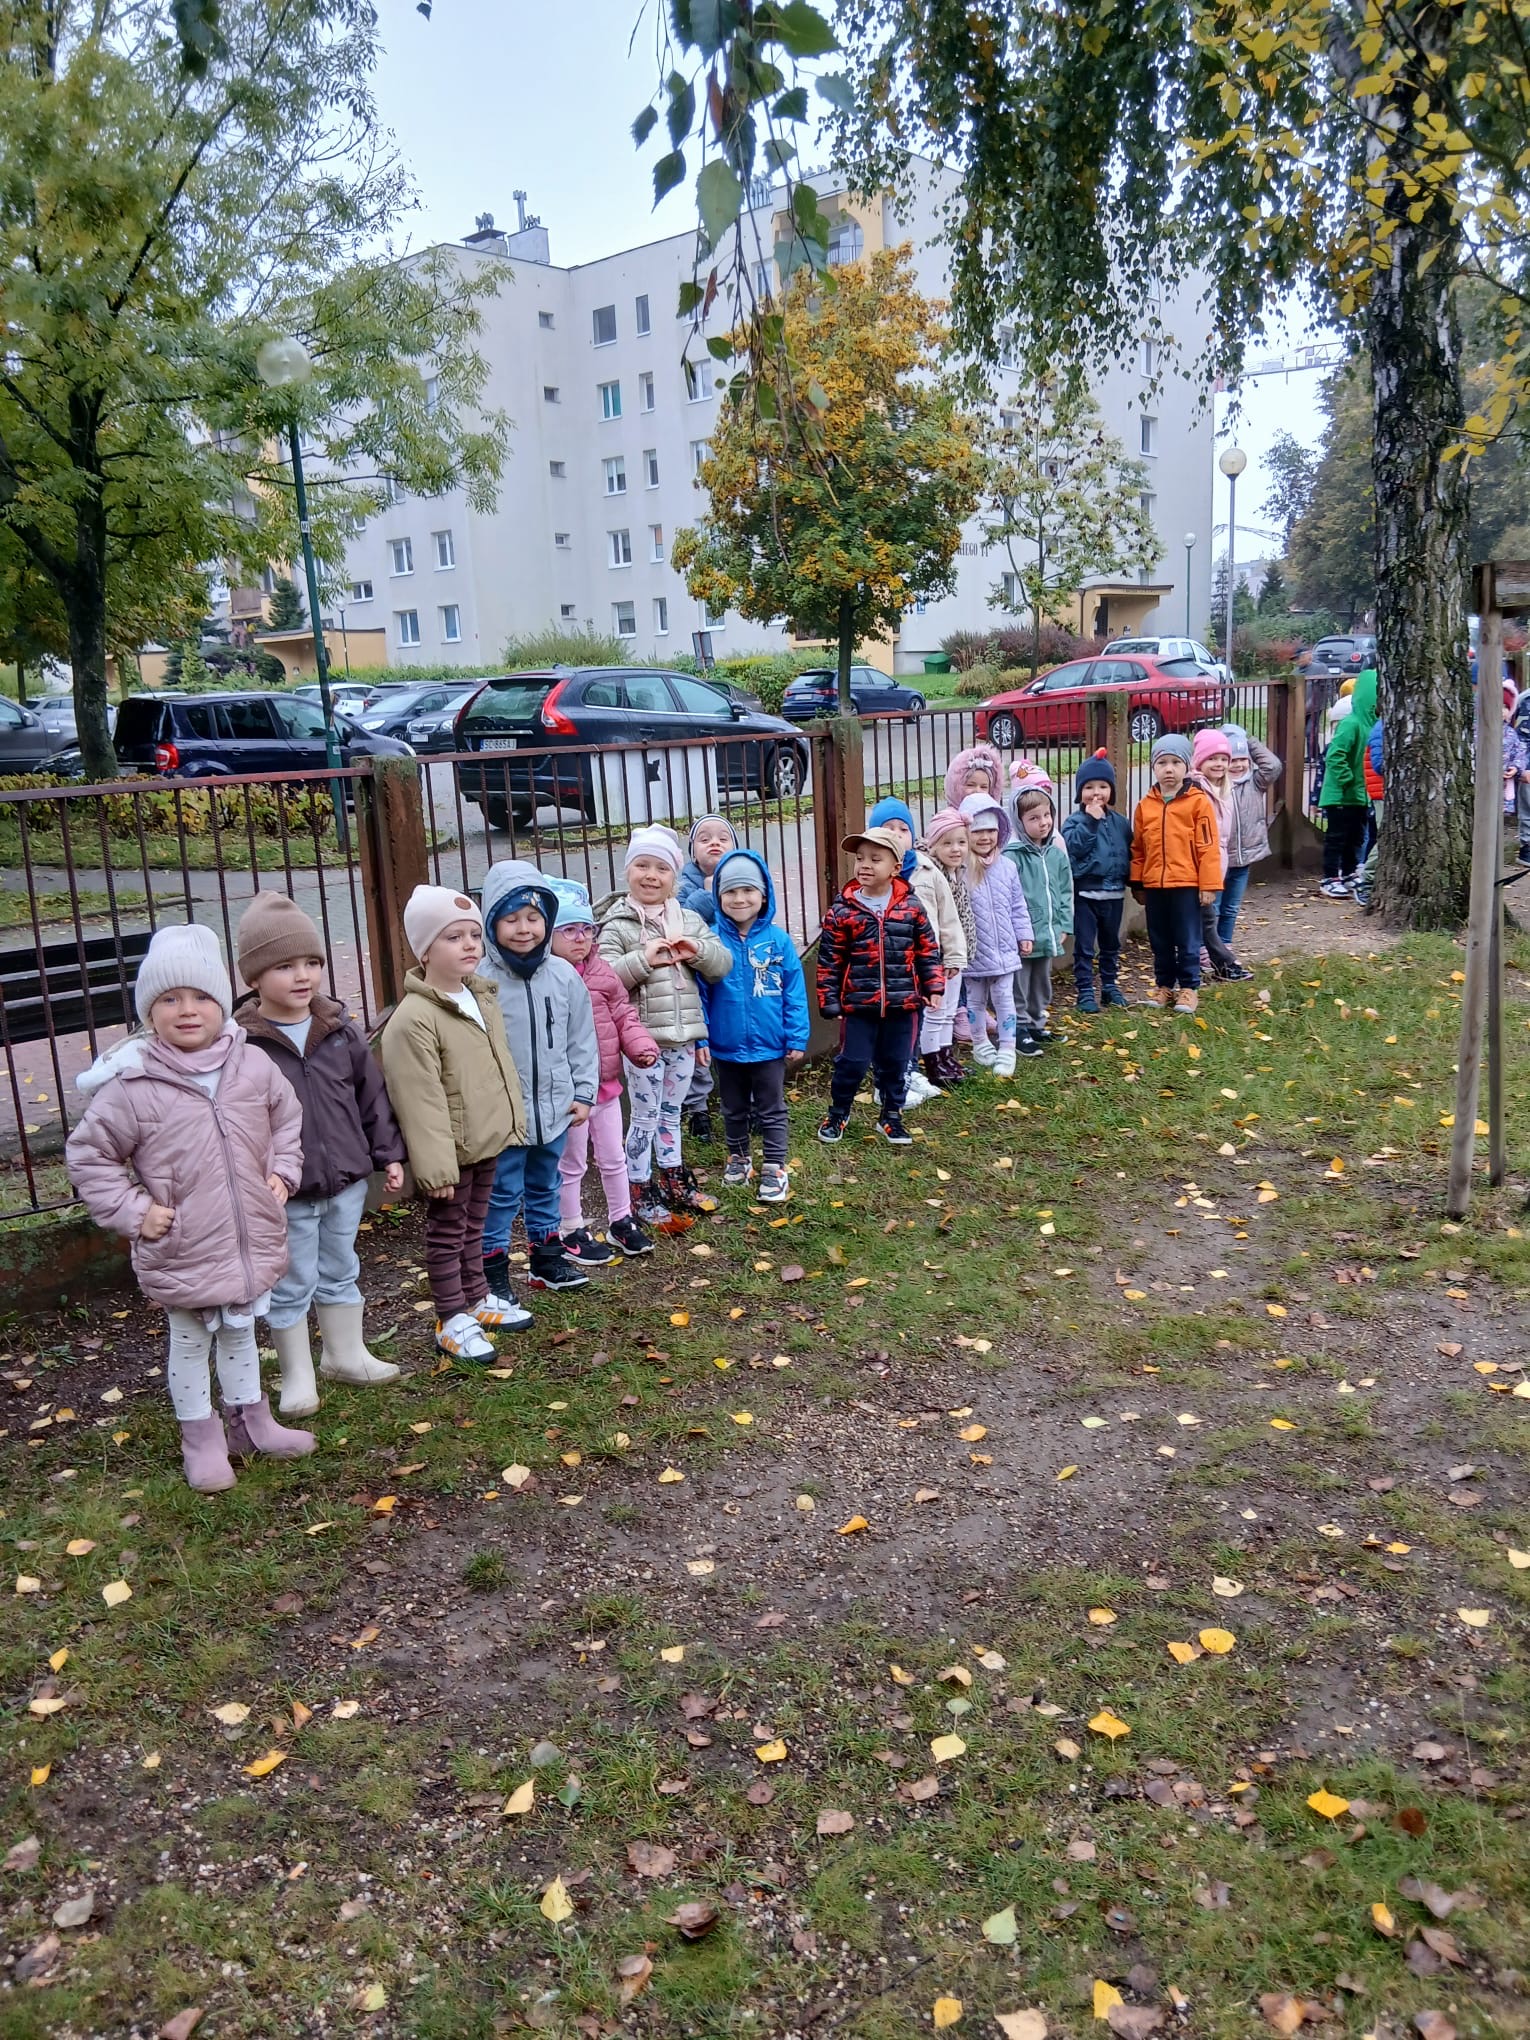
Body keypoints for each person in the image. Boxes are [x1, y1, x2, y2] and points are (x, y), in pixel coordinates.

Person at [65, 923, 312, 1493]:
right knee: (191, 1340)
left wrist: (283, 1171)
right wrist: (133, 1212)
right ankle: (199, 1435)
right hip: (183, 1245)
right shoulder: (131, 1086)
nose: (187, 1010)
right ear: (149, 1011)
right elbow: (90, 1156)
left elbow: (287, 1120)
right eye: (169, 998)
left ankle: (252, 1421)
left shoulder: (251, 1066)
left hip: (249, 1237)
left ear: (222, 1004)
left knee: (242, 1333)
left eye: (201, 996)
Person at [234, 893, 407, 1417]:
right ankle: (297, 1375)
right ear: (254, 977)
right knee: (292, 1278)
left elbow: (371, 1096)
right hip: (284, 1189)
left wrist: (388, 1153)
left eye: (311, 962)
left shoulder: (339, 1031)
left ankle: (344, 1354)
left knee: (340, 1266)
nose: (302, 976)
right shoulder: (242, 1045)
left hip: (346, 1180)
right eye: (284, 966)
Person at [380, 885, 529, 1363]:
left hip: (485, 1138)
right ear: (424, 950)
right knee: (448, 1231)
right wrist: (437, 1166)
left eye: (473, 935)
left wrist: (511, 1121)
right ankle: (450, 1315)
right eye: (452, 937)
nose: (469, 945)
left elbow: (498, 1065)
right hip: (452, 1150)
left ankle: (478, 1297)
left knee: (475, 1226)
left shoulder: (478, 996)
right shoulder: (414, 1019)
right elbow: (419, 1099)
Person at [597, 824, 732, 1229]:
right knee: (645, 1115)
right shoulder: (618, 924)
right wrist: (644, 958)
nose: (651, 875)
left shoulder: (687, 919)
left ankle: (673, 1178)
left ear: (675, 876)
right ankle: (637, 1187)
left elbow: (722, 964)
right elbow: (602, 979)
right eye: (642, 865)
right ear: (627, 872)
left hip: (684, 1037)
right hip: (643, 1042)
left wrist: (699, 951)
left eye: (661, 868)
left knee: (671, 1113)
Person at [478, 860, 600, 1296]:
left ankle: (546, 1261)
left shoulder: (564, 977)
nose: (524, 928)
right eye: (510, 919)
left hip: (554, 1108)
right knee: (502, 1193)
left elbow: (581, 1039)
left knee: (545, 1184)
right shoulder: (479, 982)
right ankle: (491, 1273)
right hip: (504, 1116)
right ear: (491, 921)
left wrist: (584, 1092)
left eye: (533, 918)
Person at [546, 879, 661, 1261]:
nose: (580, 938)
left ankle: (621, 1220)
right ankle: (571, 1228)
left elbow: (624, 1014)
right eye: (568, 929)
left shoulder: (602, 972)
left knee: (613, 1157)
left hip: (606, 1085)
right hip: (567, 1093)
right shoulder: (546, 979)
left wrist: (640, 1045)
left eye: (586, 929)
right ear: (549, 935)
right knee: (572, 1163)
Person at [817, 825, 943, 1145]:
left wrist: (934, 987)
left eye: (876, 859)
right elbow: (830, 958)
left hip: (904, 1004)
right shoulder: (843, 909)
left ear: (896, 868)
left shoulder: (911, 908)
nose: (865, 865)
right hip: (859, 1004)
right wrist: (828, 997)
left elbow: (927, 949)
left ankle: (890, 1116)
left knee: (896, 1064)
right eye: (860, 858)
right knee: (852, 1062)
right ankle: (838, 1112)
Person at [702, 848, 810, 1202]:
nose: (740, 899)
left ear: (764, 895)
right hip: (726, 1043)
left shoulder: (779, 942)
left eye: (748, 890)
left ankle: (775, 1166)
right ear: (718, 896)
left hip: (770, 1045)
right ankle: (738, 1158)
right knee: (732, 1106)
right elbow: (700, 994)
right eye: (730, 891)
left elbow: (794, 992)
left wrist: (796, 1035)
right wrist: (702, 1038)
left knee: (772, 1107)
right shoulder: (711, 941)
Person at [867, 795, 965, 1105]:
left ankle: (909, 1071)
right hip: (888, 968)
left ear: (913, 835)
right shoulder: (872, 878)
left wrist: (952, 955)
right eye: (888, 828)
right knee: (889, 1026)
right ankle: (886, 1084)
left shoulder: (927, 871)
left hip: (923, 963)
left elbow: (948, 917)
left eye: (903, 828)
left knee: (915, 1021)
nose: (897, 834)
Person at [1129, 733, 1221, 1014]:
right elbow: (1138, 849)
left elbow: (1208, 847)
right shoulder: (1145, 806)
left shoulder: (1198, 803)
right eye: (1162, 763)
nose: (1168, 769)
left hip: (1186, 885)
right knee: (1160, 939)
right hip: (1156, 885)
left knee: (1188, 939)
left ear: (1187, 767)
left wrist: (1208, 884)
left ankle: (1189, 988)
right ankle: (1164, 986)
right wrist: (1138, 883)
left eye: (1175, 763)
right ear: (1153, 768)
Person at [958, 792, 1036, 1072]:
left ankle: (1007, 1048)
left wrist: (1024, 934)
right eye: (977, 831)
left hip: (1003, 950)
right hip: (974, 951)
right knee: (975, 1001)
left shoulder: (1008, 867)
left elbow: (1018, 905)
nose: (985, 837)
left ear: (1000, 831)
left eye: (991, 830)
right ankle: (980, 1042)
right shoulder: (959, 869)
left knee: (1005, 999)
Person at [677, 814, 738, 1143]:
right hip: (695, 979)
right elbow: (683, 920)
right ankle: (697, 1109)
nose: (714, 842)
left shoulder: (744, 879)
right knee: (697, 1046)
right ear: (693, 852)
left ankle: (748, 1103)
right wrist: (708, 892)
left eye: (722, 837)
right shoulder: (685, 886)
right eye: (704, 838)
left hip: (732, 979)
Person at [1060, 751, 1131, 1013]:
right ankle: (1085, 991)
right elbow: (1072, 848)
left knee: (1111, 944)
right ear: (1080, 793)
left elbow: (1129, 853)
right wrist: (1090, 821)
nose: (1096, 792)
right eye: (1089, 787)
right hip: (1086, 895)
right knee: (1085, 946)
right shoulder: (1075, 822)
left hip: (1114, 895)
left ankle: (1110, 987)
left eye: (1103, 786)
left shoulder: (1121, 824)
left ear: (1111, 790)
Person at [1004, 781, 1073, 1048]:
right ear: (1019, 822)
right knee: (1019, 983)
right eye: (1033, 818)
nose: (1043, 823)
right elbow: (1008, 897)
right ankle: (1018, 1026)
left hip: (1048, 931)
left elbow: (1066, 892)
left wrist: (1064, 923)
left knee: (1041, 982)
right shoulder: (1012, 856)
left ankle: (1037, 1023)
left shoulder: (1056, 854)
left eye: (1046, 815)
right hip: (1022, 935)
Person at [1188, 729, 1253, 981]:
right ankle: (1221, 964)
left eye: (1223, 758)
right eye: (1212, 758)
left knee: (1205, 919)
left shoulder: (1224, 789)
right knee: (1204, 919)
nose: (1220, 764)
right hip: (1198, 866)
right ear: (1200, 761)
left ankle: (1211, 964)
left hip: (1216, 864)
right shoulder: (1196, 789)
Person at [918, 809, 976, 1086]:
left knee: (950, 1011)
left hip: (956, 954)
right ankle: (932, 1062)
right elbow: (933, 921)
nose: (956, 849)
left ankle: (945, 1056)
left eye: (961, 842)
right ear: (933, 845)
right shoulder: (929, 875)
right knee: (936, 1012)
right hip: (939, 957)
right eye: (947, 843)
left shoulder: (956, 872)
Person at [1216, 723, 1283, 945]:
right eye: (1231, 760)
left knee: (1231, 907)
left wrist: (1247, 740)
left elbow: (1273, 766)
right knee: (1213, 908)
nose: (1237, 765)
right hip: (1219, 859)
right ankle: (1208, 948)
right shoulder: (1215, 786)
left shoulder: (1255, 782)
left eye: (1242, 759)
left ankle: (1225, 946)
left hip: (1244, 859)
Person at [1316, 667, 1378, 897]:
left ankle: (1350, 872)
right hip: (1341, 794)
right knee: (1336, 837)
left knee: (1356, 836)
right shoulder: (1351, 723)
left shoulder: (1372, 724)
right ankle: (1329, 877)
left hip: (1361, 795)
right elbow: (1335, 754)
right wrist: (1348, 780)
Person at [1353, 717, 1385, 910]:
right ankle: (1365, 881)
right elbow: (1379, 763)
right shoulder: (1383, 727)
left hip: (1384, 791)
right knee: (1387, 839)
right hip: (1382, 792)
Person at [944, 742, 1007, 812]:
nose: (977, 791)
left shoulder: (994, 816)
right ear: (956, 787)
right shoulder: (949, 818)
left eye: (983, 787)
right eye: (970, 785)